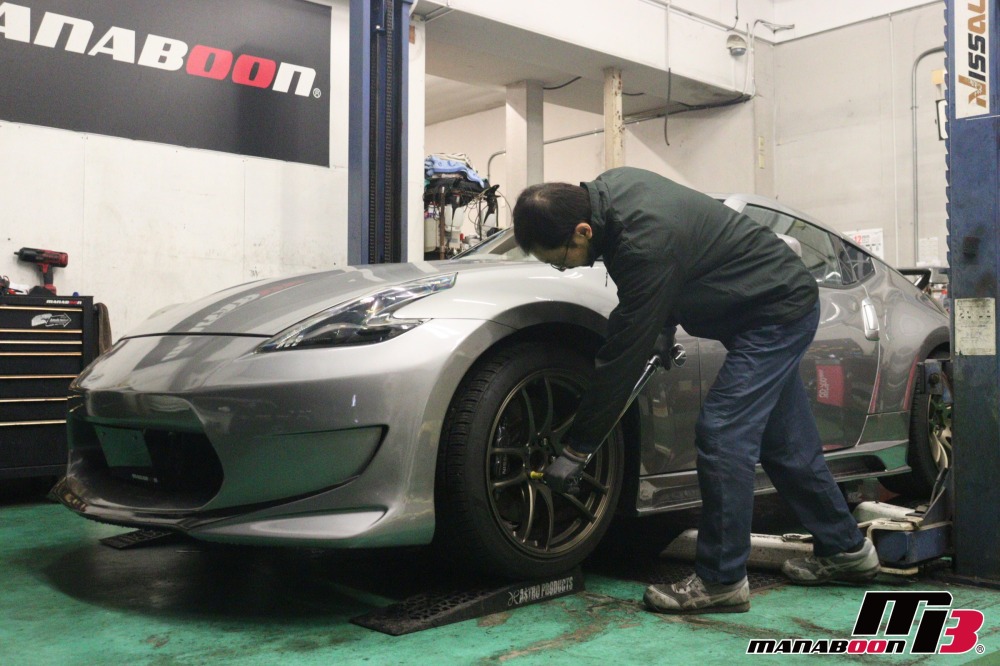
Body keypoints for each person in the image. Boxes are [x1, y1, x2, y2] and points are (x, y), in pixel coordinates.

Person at [512, 167, 879, 615]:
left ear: (583, 230)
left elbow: (621, 356)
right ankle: (847, 551)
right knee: (786, 446)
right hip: (765, 304)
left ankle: (722, 581)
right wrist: (662, 326)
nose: (565, 267)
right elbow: (673, 263)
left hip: (774, 314)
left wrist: (578, 447)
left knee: (723, 433)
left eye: (560, 259)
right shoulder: (617, 192)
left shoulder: (641, 241)